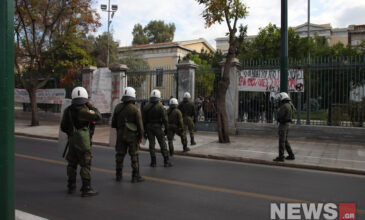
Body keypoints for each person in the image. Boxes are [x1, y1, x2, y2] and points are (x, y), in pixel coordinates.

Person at [60, 86, 102, 197]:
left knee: (72, 163)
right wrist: (91, 106)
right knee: (85, 163)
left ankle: (71, 185)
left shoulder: (67, 110)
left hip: (72, 140)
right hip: (83, 141)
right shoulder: (84, 111)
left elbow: (63, 127)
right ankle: (86, 188)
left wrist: (71, 132)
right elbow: (98, 116)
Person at [111, 87, 145, 183]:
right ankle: (135, 176)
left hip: (121, 134)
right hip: (132, 136)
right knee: (134, 155)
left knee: (120, 155)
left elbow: (113, 123)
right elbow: (140, 126)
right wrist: (140, 136)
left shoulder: (118, 107)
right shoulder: (135, 109)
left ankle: (118, 175)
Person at [143, 89, 172, 167]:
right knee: (162, 143)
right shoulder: (160, 107)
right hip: (158, 127)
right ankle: (166, 161)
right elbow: (165, 120)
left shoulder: (146, 106)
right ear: (159, 97)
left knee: (151, 145)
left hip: (149, 127)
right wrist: (166, 130)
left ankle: (153, 162)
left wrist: (144, 131)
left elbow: (143, 120)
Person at [273, 92, 296, 162]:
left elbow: (280, 116)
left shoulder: (284, 106)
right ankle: (291, 154)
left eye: (280, 98)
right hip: (288, 124)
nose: (279, 100)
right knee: (285, 140)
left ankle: (281, 156)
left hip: (283, 124)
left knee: (282, 141)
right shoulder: (290, 105)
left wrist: (278, 111)